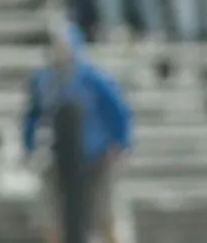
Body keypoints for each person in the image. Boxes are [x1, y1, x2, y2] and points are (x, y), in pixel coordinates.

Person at [22, 23, 131, 243]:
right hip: (58, 154)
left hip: (96, 153)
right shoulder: (43, 80)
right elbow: (32, 115)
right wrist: (28, 144)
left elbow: (117, 109)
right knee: (53, 215)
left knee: (104, 212)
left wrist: (121, 142)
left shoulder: (92, 77)